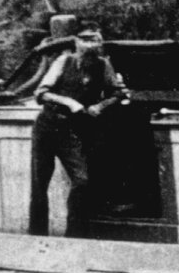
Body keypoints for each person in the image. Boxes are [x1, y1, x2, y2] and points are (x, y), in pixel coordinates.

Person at [29, 24, 130, 237]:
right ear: (77, 45)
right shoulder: (63, 61)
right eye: (85, 43)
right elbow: (41, 93)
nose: (90, 49)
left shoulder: (104, 65)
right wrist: (68, 102)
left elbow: (118, 93)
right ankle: (37, 235)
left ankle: (73, 236)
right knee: (39, 185)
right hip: (47, 127)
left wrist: (100, 106)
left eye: (95, 43)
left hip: (71, 132)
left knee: (82, 180)